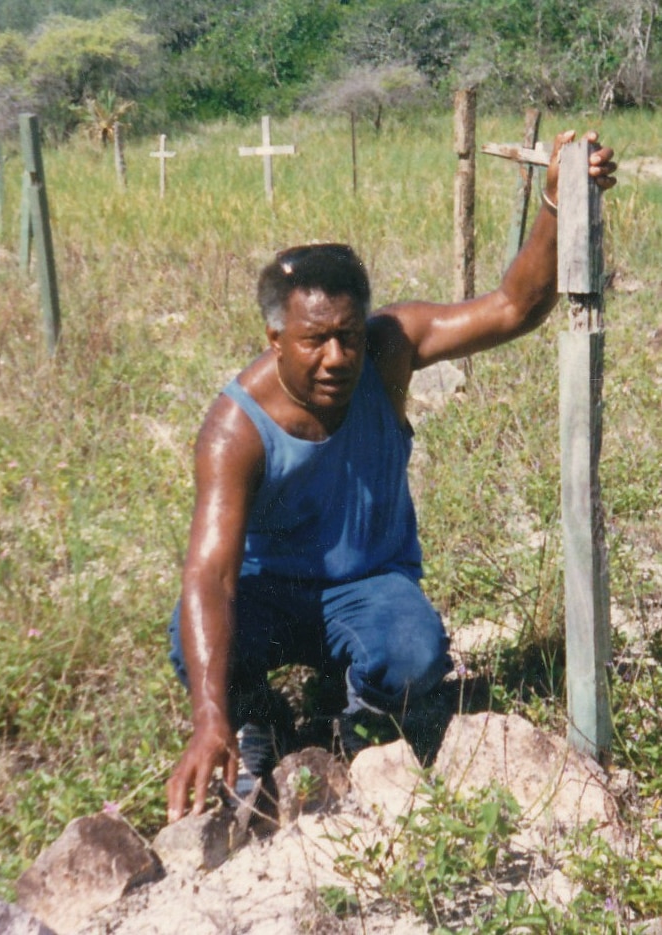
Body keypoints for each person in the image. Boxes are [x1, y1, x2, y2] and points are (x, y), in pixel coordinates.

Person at [166, 130, 617, 822]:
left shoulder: (389, 348)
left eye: (347, 332)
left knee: (411, 653)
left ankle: (364, 720)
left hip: (367, 584)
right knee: (192, 636)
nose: (337, 356)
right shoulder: (234, 430)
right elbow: (210, 575)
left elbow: (513, 307)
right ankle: (255, 718)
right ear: (275, 339)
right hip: (270, 593)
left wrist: (558, 199)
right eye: (314, 339)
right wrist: (207, 715)